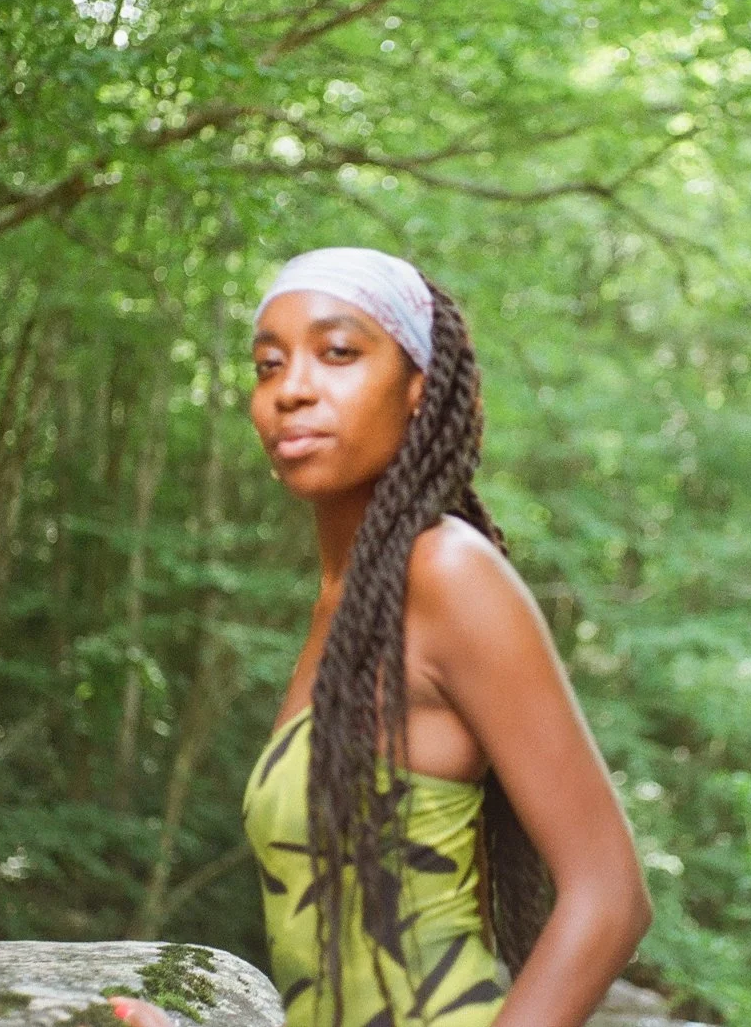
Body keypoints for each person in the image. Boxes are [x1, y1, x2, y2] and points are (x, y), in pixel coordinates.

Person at [111, 247, 650, 1027]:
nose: (292, 388)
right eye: (269, 364)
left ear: (417, 391)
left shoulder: (448, 571)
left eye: (337, 353)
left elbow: (610, 895)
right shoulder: (342, 604)